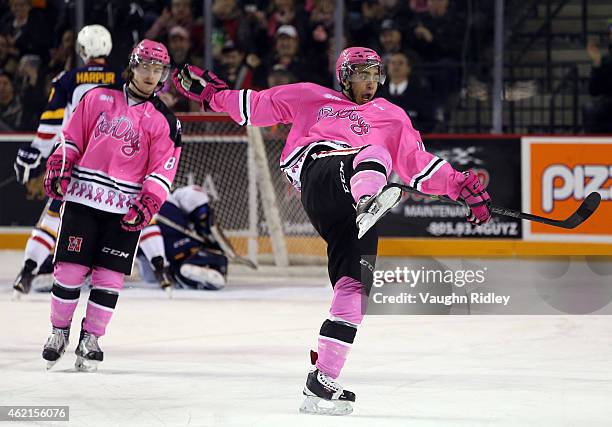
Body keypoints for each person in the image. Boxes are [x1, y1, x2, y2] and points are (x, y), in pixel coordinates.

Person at [172, 46, 491, 415]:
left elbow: (419, 163)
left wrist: (458, 186)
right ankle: (367, 200)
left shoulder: (394, 116)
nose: (369, 83)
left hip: (348, 211)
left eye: (374, 76)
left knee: (354, 291)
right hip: (319, 174)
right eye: (361, 75)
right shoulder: (312, 96)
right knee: (373, 154)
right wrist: (214, 95)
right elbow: (256, 105)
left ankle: (321, 382)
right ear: (343, 76)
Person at [40, 38, 182, 372]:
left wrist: (148, 202)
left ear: (164, 74)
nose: (150, 73)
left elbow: (162, 168)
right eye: (145, 65)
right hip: (83, 199)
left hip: (124, 209)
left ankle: (91, 338)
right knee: (70, 271)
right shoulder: (97, 98)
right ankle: (59, 332)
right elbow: (72, 138)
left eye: (157, 68)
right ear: (132, 65)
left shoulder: (166, 121)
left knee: (110, 277)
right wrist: (59, 164)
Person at [12, 25, 125, 298]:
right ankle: (157, 269)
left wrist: (38, 150)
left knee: (54, 215)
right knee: (121, 215)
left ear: (82, 50)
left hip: (77, 159)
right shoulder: (123, 78)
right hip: (115, 162)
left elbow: (52, 119)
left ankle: (28, 270)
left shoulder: (68, 78)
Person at [138, 184, 228, 291]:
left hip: (143, 238)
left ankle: (177, 272)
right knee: (219, 259)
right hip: (161, 216)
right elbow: (199, 205)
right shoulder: (164, 190)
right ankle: (186, 266)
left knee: (150, 277)